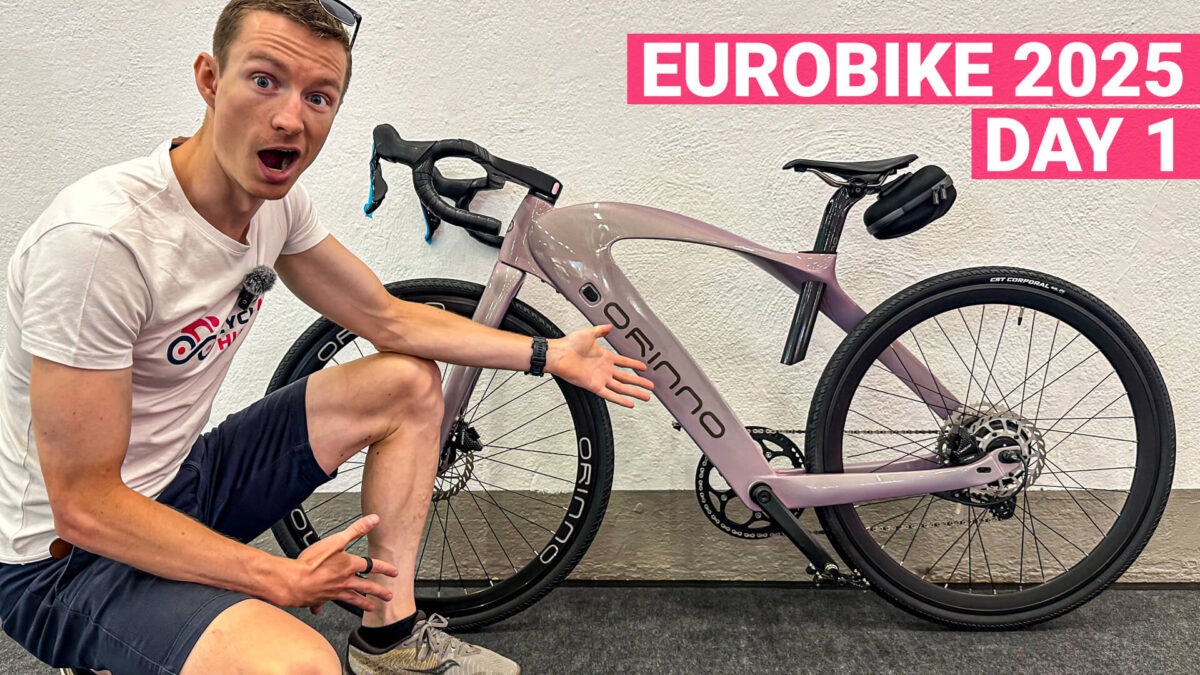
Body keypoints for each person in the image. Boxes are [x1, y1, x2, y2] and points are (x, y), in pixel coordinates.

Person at [0, 1, 654, 673]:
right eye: (264, 80)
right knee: (298, 664)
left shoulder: (276, 206)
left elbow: (388, 317)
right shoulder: (100, 244)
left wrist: (549, 354)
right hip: (66, 563)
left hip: (184, 483)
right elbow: (83, 505)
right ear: (208, 78)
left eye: (319, 96)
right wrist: (271, 575)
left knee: (404, 380)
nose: (291, 118)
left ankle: (389, 641)